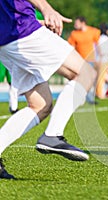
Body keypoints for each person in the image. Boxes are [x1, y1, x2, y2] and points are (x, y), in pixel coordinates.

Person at [0, 0, 97, 179]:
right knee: (85, 73)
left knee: (39, 105)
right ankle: (53, 135)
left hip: (6, 41)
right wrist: (47, 9)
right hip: (23, 32)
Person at [68, 16, 100, 104]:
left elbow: (98, 45)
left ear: (83, 23)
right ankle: (87, 98)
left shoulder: (93, 31)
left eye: (77, 23)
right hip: (79, 60)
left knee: (89, 80)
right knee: (81, 80)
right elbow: (71, 47)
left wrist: (99, 57)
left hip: (91, 60)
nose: (75, 25)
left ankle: (89, 97)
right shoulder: (74, 34)